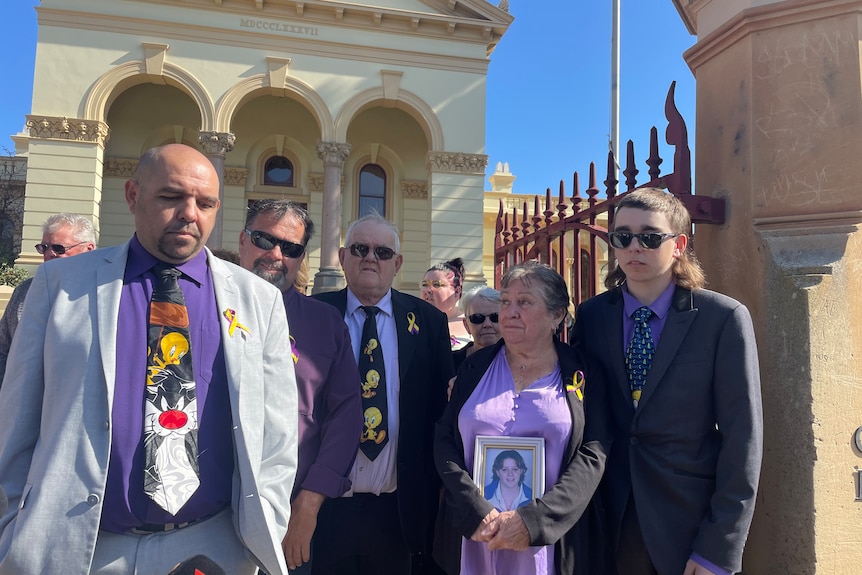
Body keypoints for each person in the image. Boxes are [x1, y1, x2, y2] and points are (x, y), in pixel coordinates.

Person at [0, 143, 298, 575]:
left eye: (205, 202)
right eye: (171, 197)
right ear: (133, 195)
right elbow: (17, 425)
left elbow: (278, 434)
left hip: (214, 545)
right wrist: (11, 528)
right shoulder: (59, 285)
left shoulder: (259, 301)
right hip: (82, 546)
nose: (189, 213)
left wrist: (265, 520)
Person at [572, 188, 762, 575]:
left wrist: (719, 548)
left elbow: (743, 440)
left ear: (678, 244)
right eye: (622, 236)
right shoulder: (592, 317)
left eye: (650, 237)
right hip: (604, 522)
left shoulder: (722, 318)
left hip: (686, 528)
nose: (634, 247)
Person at [434, 260, 611, 575]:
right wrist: (472, 509)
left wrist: (534, 521)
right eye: (505, 302)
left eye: (525, 302)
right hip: (476, 533)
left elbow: (593, 453)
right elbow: (445, 438)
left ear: (557, 315)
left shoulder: (582, 373)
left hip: (550, 541)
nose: (510, 312)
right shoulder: (474, 369)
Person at [312, 213, 455, 575]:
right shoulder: (313, 314)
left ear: (398, 263)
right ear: (343, 257)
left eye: (382, 251)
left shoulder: (427, 322)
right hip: (321, 509)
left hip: (398, 510)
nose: (370, 258)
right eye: (360, 249)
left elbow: (439, 413)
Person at [238, 199, 362, 573]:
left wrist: (308, 506)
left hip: (288, 512)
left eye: (290, 248)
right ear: (243, 241)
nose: (276, 254)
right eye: (264, 239)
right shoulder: (204, 306)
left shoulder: (324, 323)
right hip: (205, 510)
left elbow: (345, 415)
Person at [0, 212, 96, 380]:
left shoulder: (102, 295)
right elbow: (3, 348)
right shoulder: (24, 291)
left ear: (88, 250)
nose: (50, 254)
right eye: (44, 248)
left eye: (59, 248)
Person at [422, 258, 472, 350]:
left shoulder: (473, 321)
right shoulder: (413, 322)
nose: (428, 290)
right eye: (425, 285)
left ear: (457, 291)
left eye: (436, 285)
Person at [452, 286, 502, 371]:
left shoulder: (520, 362)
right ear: (466, 325)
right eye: (478, 318)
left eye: (495, 317)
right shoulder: (452, 363)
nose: (487, 324)